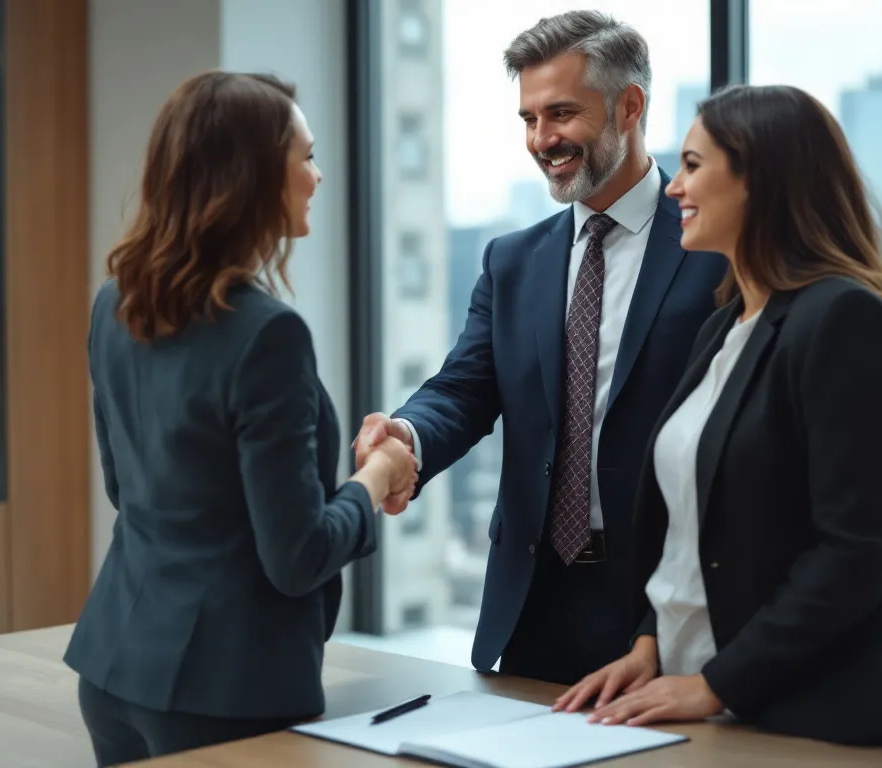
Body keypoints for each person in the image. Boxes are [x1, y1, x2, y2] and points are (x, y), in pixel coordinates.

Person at [554, 84, 882, 752]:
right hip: (706, 695)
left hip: (829, 716)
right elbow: (695, 531)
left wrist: (717, 684)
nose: (673, 188)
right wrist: (650, 643)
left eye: (693, 166)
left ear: (761, 179)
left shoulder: (844, 319)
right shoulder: (724, 327)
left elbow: (860, 550)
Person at [355, 11, 726, 685]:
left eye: (560, 114)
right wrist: (407, 434)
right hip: (533, 601)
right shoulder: (512, 260)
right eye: (528, 119)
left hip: (670, 600)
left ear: (630, 106)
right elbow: (464, 389)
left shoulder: (715, 248)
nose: (541, 139)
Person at [63, 71, 418, 766]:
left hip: (114, 670)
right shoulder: (267, 334)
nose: (318, 176)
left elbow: (127, 491)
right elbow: (298, 557)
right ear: (252, 177)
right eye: (306, 157)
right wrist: (378, 476)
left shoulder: (114, 302)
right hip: (225, 695)